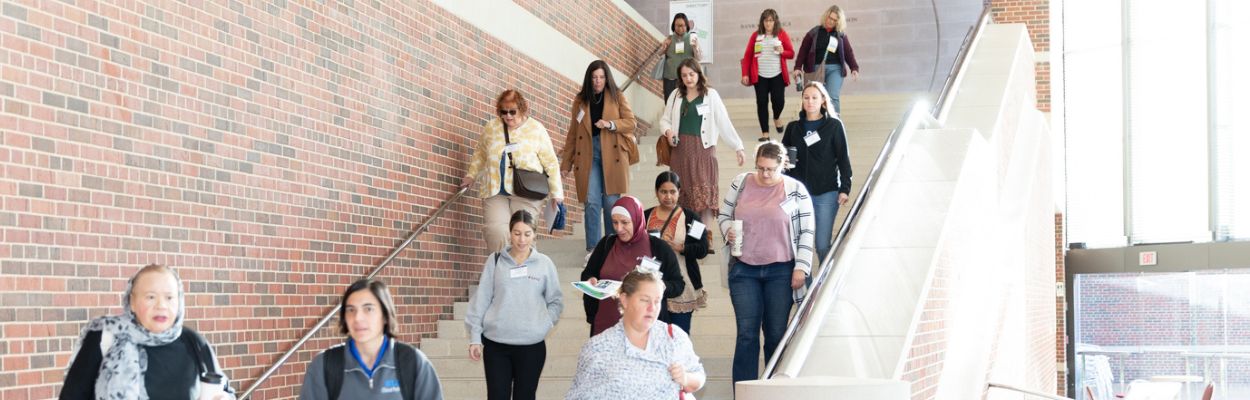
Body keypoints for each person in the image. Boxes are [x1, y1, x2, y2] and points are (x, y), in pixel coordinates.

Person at [717, 141, 816, 385]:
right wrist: (728, 229)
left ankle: (773, 390)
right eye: (760, 168)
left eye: (771, 169)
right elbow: (724, 215)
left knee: (775, 334)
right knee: (746, 335)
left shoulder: (796, 190)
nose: (765, 174)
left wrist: (801, 267)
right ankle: (745, 393)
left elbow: (807, 230)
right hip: (744, 269)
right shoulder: (741, 182)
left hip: (781, 271)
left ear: (783, 165)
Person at [60, 264, 235, 400]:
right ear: (132, 302)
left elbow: (226, 391)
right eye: (151, 297)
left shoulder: (195, 343)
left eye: (169, 297)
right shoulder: (105, 337)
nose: (161, 305)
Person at [465, 210, 563, 400]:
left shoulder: (545, 264)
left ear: (534, 234)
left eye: (527, 234)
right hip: (496, 346)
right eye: (517, 233)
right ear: (510, 233)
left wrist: (544, 324)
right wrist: (475, 337)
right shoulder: (495, 261)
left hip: (531, 347)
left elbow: (556, 302)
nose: (522, 240)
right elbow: (481, 300)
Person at [564, 269, 706, 400]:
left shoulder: (673, 336)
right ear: (624, 300)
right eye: (644, 300)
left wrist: (686, 378)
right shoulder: (598, 348)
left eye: (657, 301)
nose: (652, 308)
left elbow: (698, 376)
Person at [299, 279, 443, 400]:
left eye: (368, 309)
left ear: (385, 315)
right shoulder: (323, 366)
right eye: (351, 310)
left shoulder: (413, 363)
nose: (358, 318)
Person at [464, 89, 565, 252]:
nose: (508, 116)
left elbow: (551, 163)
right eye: (504, 112)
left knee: (522, 235)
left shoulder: (536, 129)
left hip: (527, 190)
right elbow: (480, 154)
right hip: (495, 190)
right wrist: (471, 175)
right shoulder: (492, 127)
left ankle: (524, 267)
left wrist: (557, 193)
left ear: (522, 109)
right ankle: (501, 266)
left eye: (512, 112)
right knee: (496, 232)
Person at [659, 59, 746, 245]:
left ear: (699, 74)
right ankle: (691, 237)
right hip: (680, 152)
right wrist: (668, 132)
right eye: (684, 75)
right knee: (684, 197)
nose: (688, 79)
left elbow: (724, 122)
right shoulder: (675, 95)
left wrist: (738, 146)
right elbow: (665, 120)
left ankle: (705, 237)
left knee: (704, 197)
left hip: (704, 152)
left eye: (691, 74)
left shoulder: (710, 95)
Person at [561, 60, 639, 251]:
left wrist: (610, 124)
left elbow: (631, 122)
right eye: (594, 77)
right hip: (588, 155)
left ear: (607, 78)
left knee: (611, 203)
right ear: (589, 78)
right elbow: (573, 133)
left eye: (601, 77)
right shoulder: (580, 101)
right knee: (591, 202)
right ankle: (593, 250)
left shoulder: (617, 96)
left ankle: (612, 248)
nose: (598, 81)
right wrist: (566, 164)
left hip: (612, 153)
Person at [580, 196, 684, 337]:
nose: (619, 228)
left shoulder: (659, 248)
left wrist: (658, 286)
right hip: (606, 326)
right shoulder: (606, 244)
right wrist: (590, 280)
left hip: (645, 331)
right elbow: (588, 273)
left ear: (637, 219)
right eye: (615, 222)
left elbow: (678, 285)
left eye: (625, 222)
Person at [782, 82, 852, 262]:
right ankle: (805, 279)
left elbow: (843, 158)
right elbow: (782, 159)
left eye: (814, 97)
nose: (810, 101)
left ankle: (825, 278)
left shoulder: (834, 126)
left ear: (823, 100)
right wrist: (784, 164)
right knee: (797, 244)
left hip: (825, 193)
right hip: (798, 194)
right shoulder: (793, 127)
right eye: (806, 97)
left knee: (822, 245)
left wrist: (845, 188)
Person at [643, 171, 709, 335]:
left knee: (679, 337)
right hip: (651, 285)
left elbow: (703, 249)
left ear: (679, 192)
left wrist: (683, 248)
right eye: (663, 192)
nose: (668, 197)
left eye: (672, 192)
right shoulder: (645, 216)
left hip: (683, 287)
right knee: (653, 338)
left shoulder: (690, 218)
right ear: (656, 192)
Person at [740, 9, 795, 142]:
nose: (768, 23)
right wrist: (745, 74)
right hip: (760, 76)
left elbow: (791, 53)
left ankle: (776, 117)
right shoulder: (756, 36)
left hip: (777, 75)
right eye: (766, 20)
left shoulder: (781, 34)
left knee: (779, 101)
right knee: (761, 103)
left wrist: (782, 51)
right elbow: (747, 56)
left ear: (775, 22)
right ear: (762, 22)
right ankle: (765, 133)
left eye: (771, 20)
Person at [793, 5, 860, 113]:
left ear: (838, 22)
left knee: (832, 97)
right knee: (815, 97)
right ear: (826, 16)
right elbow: (803, 50)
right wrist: (797, 67)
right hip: (815, 69)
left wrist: (854, 68)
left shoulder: (840, 35)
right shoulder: (814, 32)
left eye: (834, 20)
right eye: (830, 18)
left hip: (835, 69)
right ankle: (816, 121)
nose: (831, 21)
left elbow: (848, 52)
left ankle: (834, 122)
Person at [659, 13, 702, 101]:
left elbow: (699, 58)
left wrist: (695, 47)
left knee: (686, 102)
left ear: (687, 26)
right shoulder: (669, 38)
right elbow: (659, 54)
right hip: (670, 78)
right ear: (673, 26)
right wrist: (663, 48)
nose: (679, 28)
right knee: (670, 103)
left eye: (682, 25)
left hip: (687, 78)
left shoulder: (691, 38)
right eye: (677, 25)